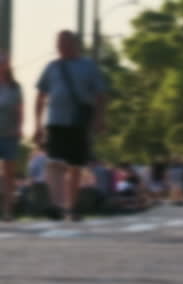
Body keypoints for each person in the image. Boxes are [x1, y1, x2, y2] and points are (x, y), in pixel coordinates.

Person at [33, 31, 107, 222]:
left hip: (78, 121)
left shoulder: (88, 66)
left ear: (75, 44)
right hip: (55, 121)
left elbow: (100, 95)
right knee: (54, 162)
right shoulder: (52, 67)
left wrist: (99, 119)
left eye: (65, 43)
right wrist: (38, 125)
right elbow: (41, 97)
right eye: (59, 43)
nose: (61, 47)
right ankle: (56, 205)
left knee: (75, 165)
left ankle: (71, 207)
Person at [0, 52, 23, 221]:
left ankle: (8, 210)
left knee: (9, 175)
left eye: (3, 61)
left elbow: (20, 111)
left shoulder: (15, 87)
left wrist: (18, 128)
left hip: (9, 134)